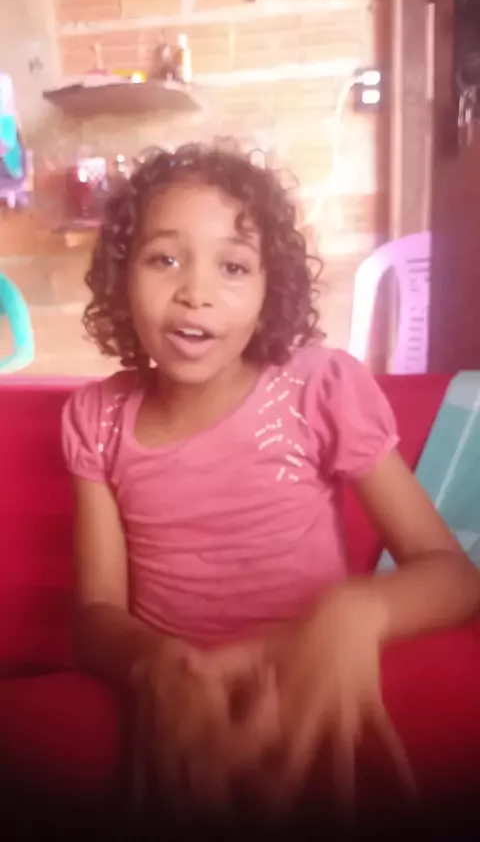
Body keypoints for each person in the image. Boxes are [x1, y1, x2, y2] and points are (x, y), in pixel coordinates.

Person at [62, 143, 480, 828]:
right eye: (164, 259)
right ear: (120, 278)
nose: (196, 292)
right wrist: (153, 668)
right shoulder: (96, 418)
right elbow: (94, 615)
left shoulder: (318, 388)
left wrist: (357, 612)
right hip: (178, 710)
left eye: (233, 266)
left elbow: (456, 577)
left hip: (317, 693)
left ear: (268, 293)